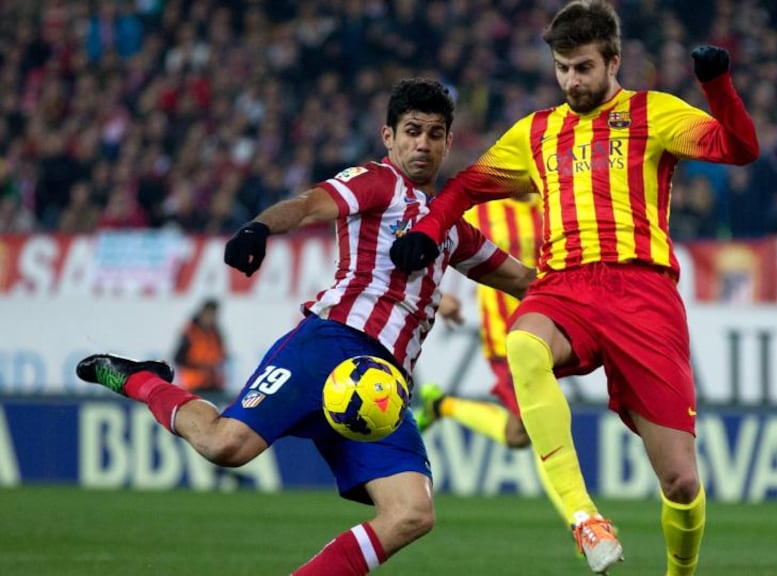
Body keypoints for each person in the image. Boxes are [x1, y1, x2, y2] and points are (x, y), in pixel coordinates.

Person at [76, 78, 536, 576]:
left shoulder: (451, 228)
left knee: (412, 514)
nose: (422, 144)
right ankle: (142, 380)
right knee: (225, 445)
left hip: (382, 387)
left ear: (449, 142)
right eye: (412, 131)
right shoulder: (376, 182)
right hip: (330, 345)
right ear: (388, 136)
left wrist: (585, 303)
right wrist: (259, 227)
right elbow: (308, 204)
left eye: (434, 134)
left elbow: (523, 281)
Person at [389, 2, 759, 574]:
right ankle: (584, 518)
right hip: (565, 285)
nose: (571, 81)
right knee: (523, 343)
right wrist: (428, 229)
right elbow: (466, 187)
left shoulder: (653, 113)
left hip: (643, 293)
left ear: (613, 61)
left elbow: (740, 148)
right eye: (562, 68)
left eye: (583, 68)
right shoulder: (536, 132)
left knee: (681, 482)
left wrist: (717, 87)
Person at [414, 195, 571, 523]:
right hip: (504, 337)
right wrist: (439, 296)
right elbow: (432, 242)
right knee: (540, 426)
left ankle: (442, 406)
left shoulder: (548, 204)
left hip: (546, 330)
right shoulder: (481, 209)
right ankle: (580, 521)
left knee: (518, 435)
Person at [173, 298, 229, 405]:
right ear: (202, 313)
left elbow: (222, 356)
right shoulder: (190, 332)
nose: (211, 318)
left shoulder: (216, 333)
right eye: (209, 314)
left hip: (213, 384)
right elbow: (179, 358)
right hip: (194, 386)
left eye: (213, 315)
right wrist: (200, 368)